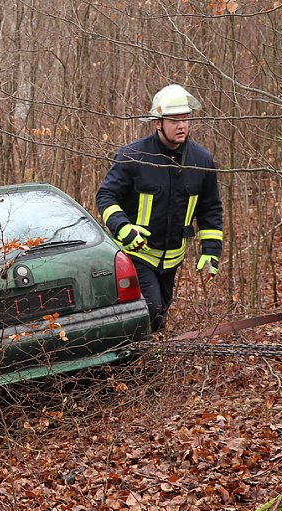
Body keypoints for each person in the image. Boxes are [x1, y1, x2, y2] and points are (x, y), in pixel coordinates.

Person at [96, 84, 224, 332]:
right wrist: (123, 228)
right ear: (158, 123)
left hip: (173, 258)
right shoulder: (133, 155)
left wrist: (211, 252)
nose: (182, 126)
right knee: (151, 308)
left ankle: (150, 355)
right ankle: (139, 358)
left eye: (185, 119)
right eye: (174, 120)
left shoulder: (202, 161)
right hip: (138, 254)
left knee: (160, 311)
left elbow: (210, 210)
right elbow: (106, 195)